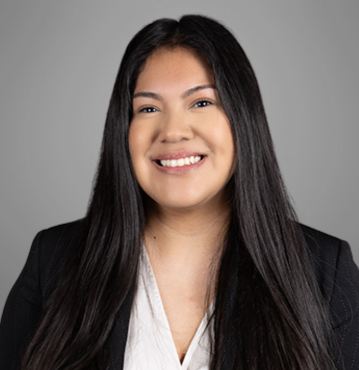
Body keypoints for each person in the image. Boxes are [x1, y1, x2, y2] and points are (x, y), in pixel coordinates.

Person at [0, 14, 358, 370]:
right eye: (149, 108)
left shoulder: (323, 272)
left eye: (202, 103)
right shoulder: (53, 261)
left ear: (243, 120)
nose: (172, 131)